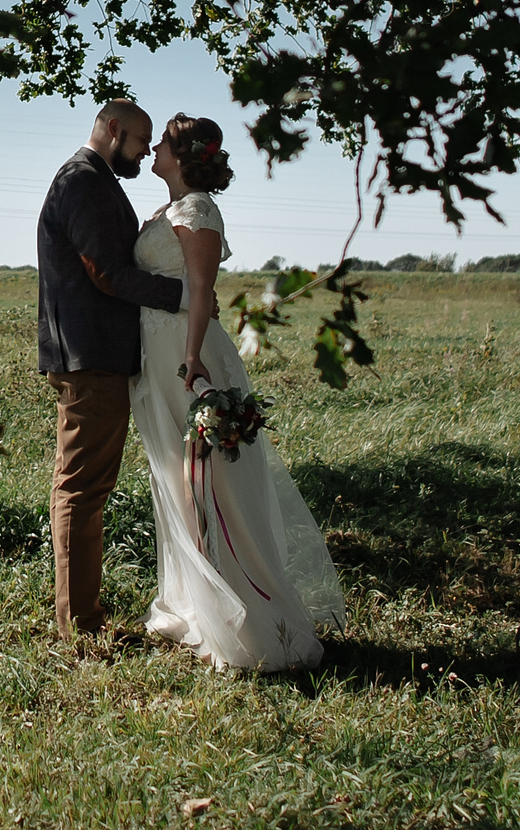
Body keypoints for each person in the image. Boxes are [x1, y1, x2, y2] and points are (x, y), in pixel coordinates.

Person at [128, 113, 347, 671]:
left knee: (209, 483)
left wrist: (193, 357)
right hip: (156, 353)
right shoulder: (166, 212)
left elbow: (202, 289)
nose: (153, 149)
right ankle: (194, 604)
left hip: (187, 353)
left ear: (183, 155)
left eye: (162, 142)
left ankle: (248, 616)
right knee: (175, 478)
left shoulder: (198, 211)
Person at [35, 98, 184, 642]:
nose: (146, 152)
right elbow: (107, 273)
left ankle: (79, 618)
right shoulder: (84, 180)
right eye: (142, 140)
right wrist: (183, 296)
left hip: (90, 355)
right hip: (89, 356)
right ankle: (80, 626)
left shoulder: (93, 179)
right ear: (114, 129)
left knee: (82, 486)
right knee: (83, 489)